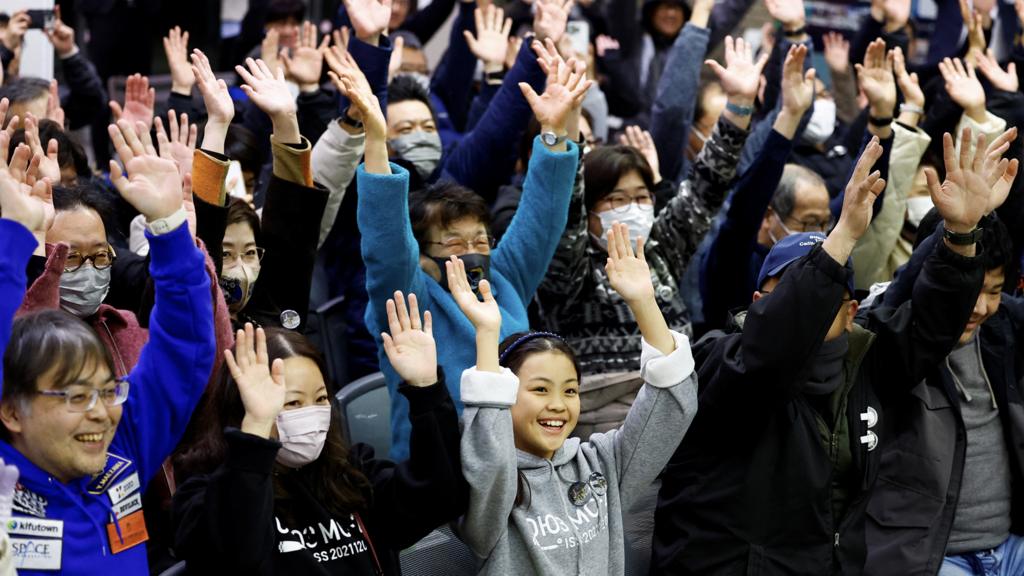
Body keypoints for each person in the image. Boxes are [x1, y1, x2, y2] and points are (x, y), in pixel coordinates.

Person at [652, 126, 1011, 574]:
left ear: (852, 309)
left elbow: (931, 320)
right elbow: (775, 351)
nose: (815, 301)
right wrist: (840, 237)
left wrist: (960, 233)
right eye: (794, 287)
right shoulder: (721, 360)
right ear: (760, 302)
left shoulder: (866, 359)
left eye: (827, 291)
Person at [346, 39, 587, 460]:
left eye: (480, 240)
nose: (473, 252)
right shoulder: (407, 297)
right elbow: (386, 245)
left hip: (526, 462)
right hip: (440, 475)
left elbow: (542, 217)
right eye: (454, 243)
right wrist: (377, 143)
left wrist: (553, 133)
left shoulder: (502, 278)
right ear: (422, 255)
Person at [0, 116, 216, 574]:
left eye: (106, 390)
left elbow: (184, 349)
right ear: (12, 409)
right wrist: (14, 237)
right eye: (76, 396)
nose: (101, 411)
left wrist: (170, 226)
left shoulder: (122, 445)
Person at [452, 222, 698, 575]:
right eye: (540, 389)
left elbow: (670, 407)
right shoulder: (491, 482)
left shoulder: (601, 463)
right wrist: (488, 338)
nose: (558, 403)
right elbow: (488, 460)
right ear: (503, 396)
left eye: (570, 390)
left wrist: (644, 303)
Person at [172, 293, 466, 574]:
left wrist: (427, 390)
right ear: (244, 407)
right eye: (292, 402)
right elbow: (236, 555)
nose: (311, 413)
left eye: (321, 398)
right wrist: (256, 434)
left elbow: (440, 496)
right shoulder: (204, 497)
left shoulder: (350, 476)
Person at [864, 172, 1024, 572]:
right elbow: (887, 316)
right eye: (970, 291)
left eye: (993, 291)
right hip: (932, 557)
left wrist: (987, 210)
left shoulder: (1005, 327)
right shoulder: (891, 338)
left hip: (1011, 546)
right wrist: (957, 230)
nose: (980, 308)